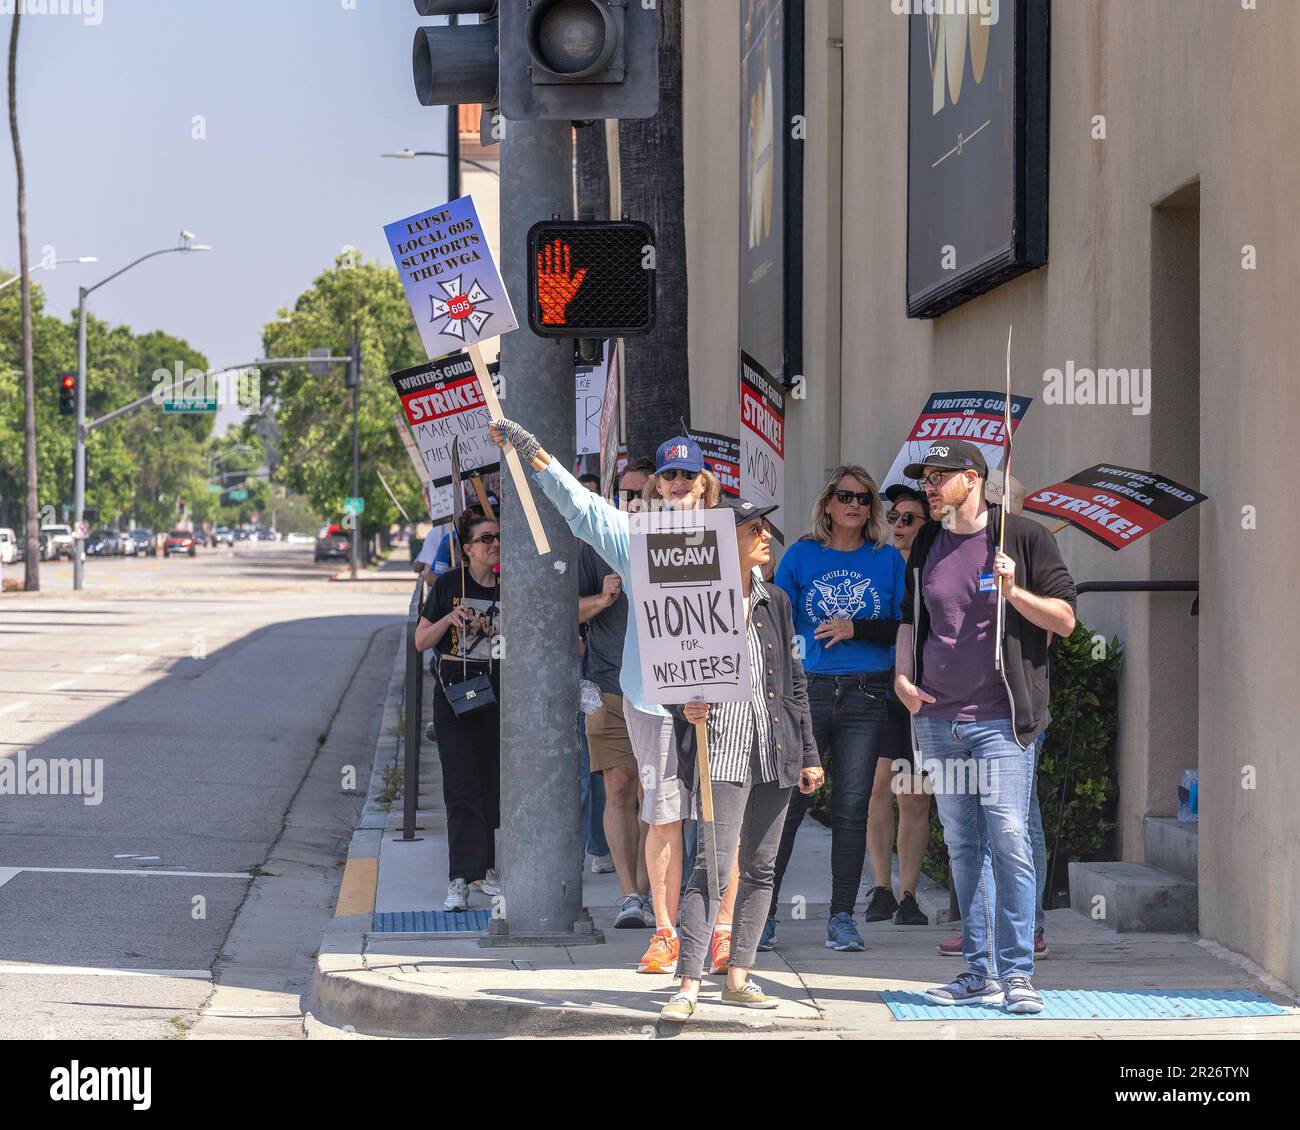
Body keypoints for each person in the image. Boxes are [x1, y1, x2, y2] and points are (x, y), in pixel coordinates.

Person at [488, 421, 740, 977]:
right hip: (651, 701)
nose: (677, 482)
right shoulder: (635, 536)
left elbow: (757, 602)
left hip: (721, 703)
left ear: (705, 483)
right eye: (667, 474)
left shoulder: (731, 535)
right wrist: (534, 452)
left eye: (687, 474)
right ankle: (667, 933)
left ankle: (723, 932)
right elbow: (581, 510)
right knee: (663, 815)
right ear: (656, 486)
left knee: (723, 821)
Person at [895, 440, 1076, 1014]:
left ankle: (1018, 972)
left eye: (938, 477)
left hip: (1002, 718)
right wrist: (903, 678)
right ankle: (978, 972)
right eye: (925, 478)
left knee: (1010, 837)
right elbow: (909, 620)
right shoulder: (926, 540)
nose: (928, 486)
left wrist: (1015, 589)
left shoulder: (1022, 537)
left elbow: (1067, 620)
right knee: (964, 844)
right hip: (937, 716)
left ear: (972, 480)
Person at [659, 497, 824, 1022]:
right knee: (711, 867)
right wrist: (681, 706)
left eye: (766, 527)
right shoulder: (694, 598)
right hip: (721, 751)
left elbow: (795, 685)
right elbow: (667, 674)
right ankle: (687, 984)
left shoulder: (775, 600)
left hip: (774, 749)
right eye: (753, 528)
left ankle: (739, 977)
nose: (765, 535)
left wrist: (810, 754)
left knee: (760, 867)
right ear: (721, 542)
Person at [760, 466, 905, 953]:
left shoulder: (886, 560)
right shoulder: (801, 555)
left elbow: (902, 626)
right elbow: (775, 622)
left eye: (865, 500)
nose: (855, 505)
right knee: (790, 804)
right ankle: (765, 913)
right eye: (845, 496)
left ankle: (842, 917)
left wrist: (855, 628)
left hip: (865, 693)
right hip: (809, 689)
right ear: (827, 503)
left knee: (850, 807)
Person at [579, 456, 657, 927]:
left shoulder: (675, 542)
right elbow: (566, 611)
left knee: (658, 794)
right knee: (619, 786)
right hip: (606, 685)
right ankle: (629, 894)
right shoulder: (596, 547)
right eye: (625, 494)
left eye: (641, 493)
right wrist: (602, 599)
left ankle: (650, 890)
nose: (632, 502)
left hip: (663, 691)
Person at [414, 512, 503, 912]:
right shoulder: (450, 583)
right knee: (461, 784)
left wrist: (494, 631)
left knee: (491, 784)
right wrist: (449, 619)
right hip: (456, 696)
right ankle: (460, 876)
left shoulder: (510, 587)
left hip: (498, 694)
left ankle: (486, 868)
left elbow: (515, 649)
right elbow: (420, 640)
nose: (494, 544)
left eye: (498, 537)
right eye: (485, 539)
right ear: (467, 549)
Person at [855, 484, 935, 927]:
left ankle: (908, 895)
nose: (899, 525)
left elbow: (909, 627)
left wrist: (864, 628)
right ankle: (880, 888)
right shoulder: (880, 565)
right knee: (878, 786)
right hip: (880, 688)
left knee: (915, 796)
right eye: (895, 518)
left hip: (921, 693)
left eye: (909, 519)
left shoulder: (934, 567)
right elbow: (887, 624)